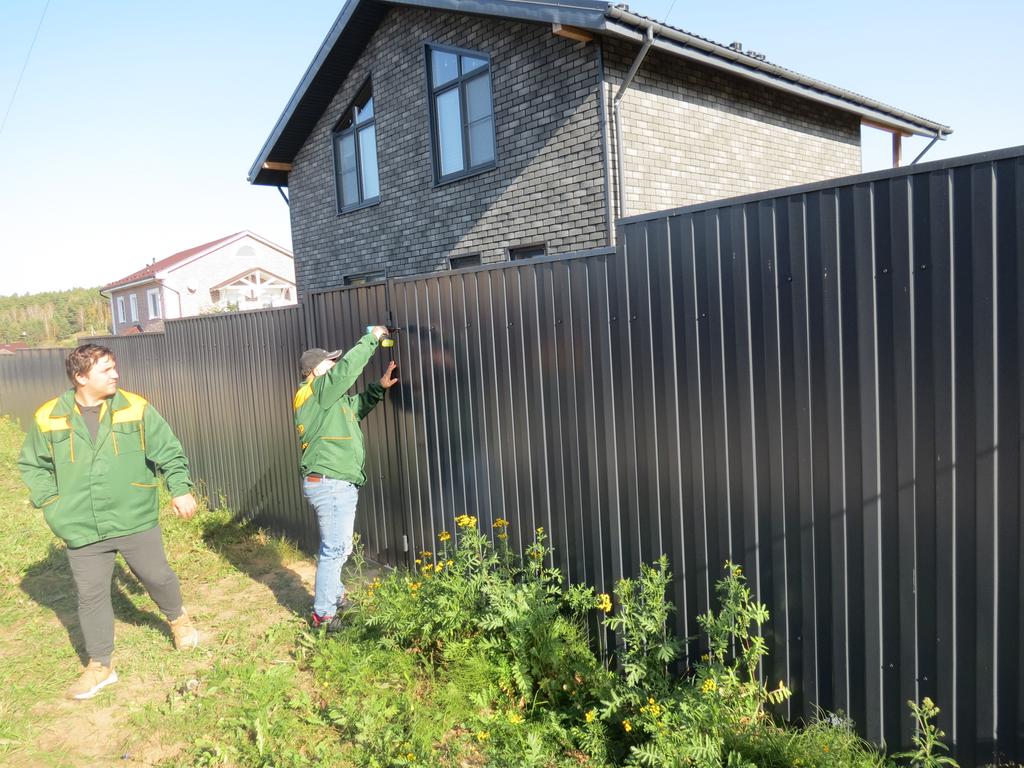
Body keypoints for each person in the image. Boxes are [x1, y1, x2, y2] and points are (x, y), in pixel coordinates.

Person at [17, 344, 200, 700]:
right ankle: (100, 665)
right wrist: (52, 503)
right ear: (81, 377)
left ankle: (178, 619)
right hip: (81, 525)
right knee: (91, 596)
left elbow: (169, 451)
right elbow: (33, 465)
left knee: (156, 576)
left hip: (133, 516)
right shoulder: (49, 417)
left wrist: (179, 489)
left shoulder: (135, 408)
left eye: (115, 367)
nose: (116, 375)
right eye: (106, 370)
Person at [293, 326, 399, 631]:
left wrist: (379, 387)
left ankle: (335, 597)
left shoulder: (327, 400)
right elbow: (348, 369)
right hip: (331, 483)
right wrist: (372, 339)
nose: (336, 365)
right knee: (336, 550)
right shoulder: (316, 392)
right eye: (331, 362)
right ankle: (324, 616)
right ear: (316, 370)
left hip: (332, 482)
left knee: (335, 547)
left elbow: (355, 408)